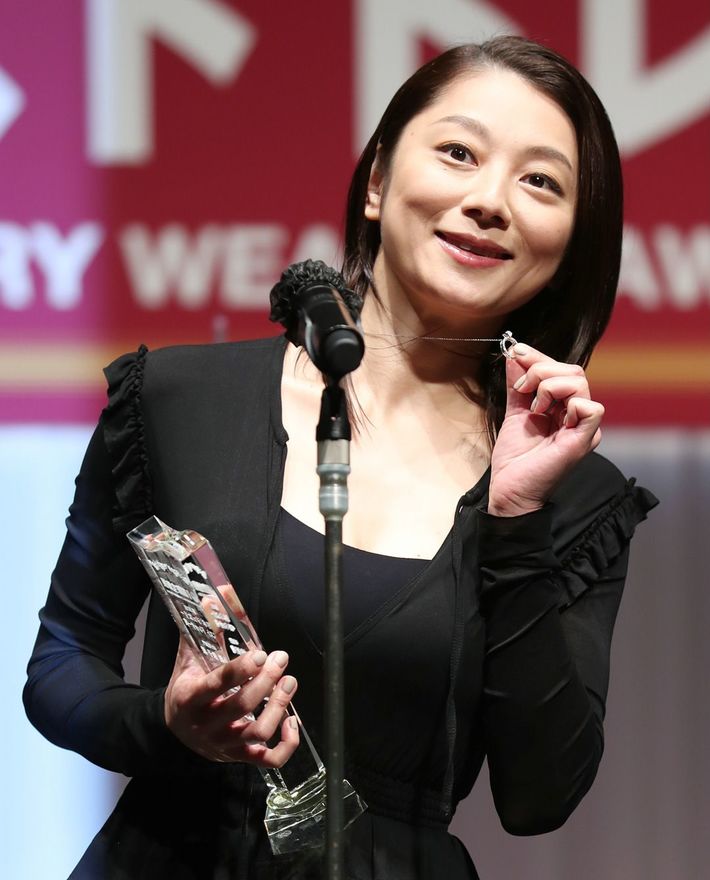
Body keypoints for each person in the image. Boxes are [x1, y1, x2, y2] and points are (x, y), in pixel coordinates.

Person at [24, 35, 657, 880]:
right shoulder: (181, 397)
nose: (489, 200)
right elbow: (62, 663)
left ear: (573, 240)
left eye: (540, 181)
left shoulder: (570, 492)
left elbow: (539, 796)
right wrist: (167, 726)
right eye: (459, 153)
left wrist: (514, 521)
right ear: (377, 183)